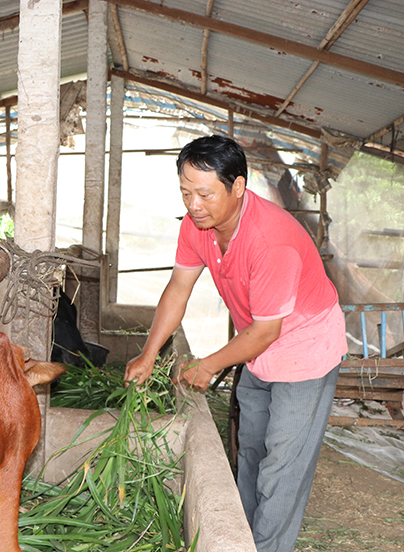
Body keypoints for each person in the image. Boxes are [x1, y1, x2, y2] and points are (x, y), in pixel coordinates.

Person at [124, 134, 346, 552]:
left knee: (283, 464)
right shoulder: (196, 226)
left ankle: (266, 547)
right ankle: (237, 533)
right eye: (186, 192)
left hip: (304, 348)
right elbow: (178, 288)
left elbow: (268, 331)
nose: (193, 205)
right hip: (257, 347)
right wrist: (148, 354)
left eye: (205, 194)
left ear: (238, 186)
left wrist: (208, 365)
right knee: (251, 448)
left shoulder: (270, 239)